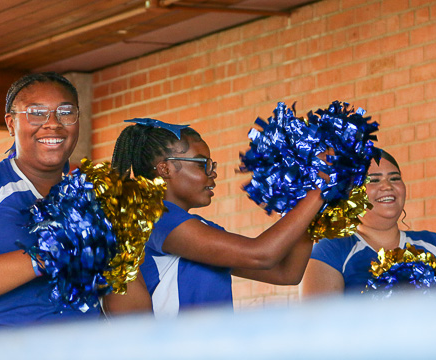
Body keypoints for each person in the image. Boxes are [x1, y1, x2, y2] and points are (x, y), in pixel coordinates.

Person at [0, 72, 150, 336]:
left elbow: (135, 318)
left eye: (66, 112)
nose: (53, 124)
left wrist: (120, 249)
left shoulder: (95, 197)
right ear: (11, 124)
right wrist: (49, 255)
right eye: (36, 113)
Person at [111, 119, 328, 318]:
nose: (212, 173)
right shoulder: (157, 217)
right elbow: (262, 254)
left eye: (211, 165)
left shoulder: (199, 228)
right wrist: (320, 188)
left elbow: (286, 272)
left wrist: (303, 193)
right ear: (164, 168)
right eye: (201, 164)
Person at [301, 150, 436, 297]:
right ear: (350, 192)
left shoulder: (435, 244)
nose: (387, 186)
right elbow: (318, 323)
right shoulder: (332, 249)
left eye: (394, 178)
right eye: (374, 180)